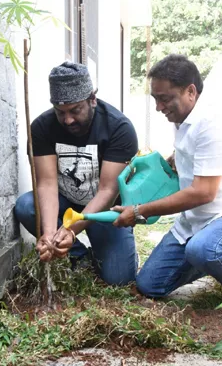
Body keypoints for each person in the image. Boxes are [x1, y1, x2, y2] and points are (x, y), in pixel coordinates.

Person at [112, 54, 222, 297]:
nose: (158, 107)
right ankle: (210, 258)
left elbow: (204, 192)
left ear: (191, 91)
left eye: (165, 99)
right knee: (149, 285)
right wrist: (173, 160)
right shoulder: (184, 119)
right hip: (193, 221)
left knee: (206, 249)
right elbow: (192, 152)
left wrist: (139, 210)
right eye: (155, 99)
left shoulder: (212, 124)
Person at [14, 61, 139, 286]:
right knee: (26, 206)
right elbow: (47, 184)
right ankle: (79, 258)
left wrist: (70, 230)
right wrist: (51, 234)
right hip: (66, 201)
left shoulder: (119, 128)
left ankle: (112, 252)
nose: (68, 119)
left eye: (75, 110)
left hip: (105, 210)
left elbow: (108, 190)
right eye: (60, 112)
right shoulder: (42, 127)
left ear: (92, 99)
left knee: (119, 278)